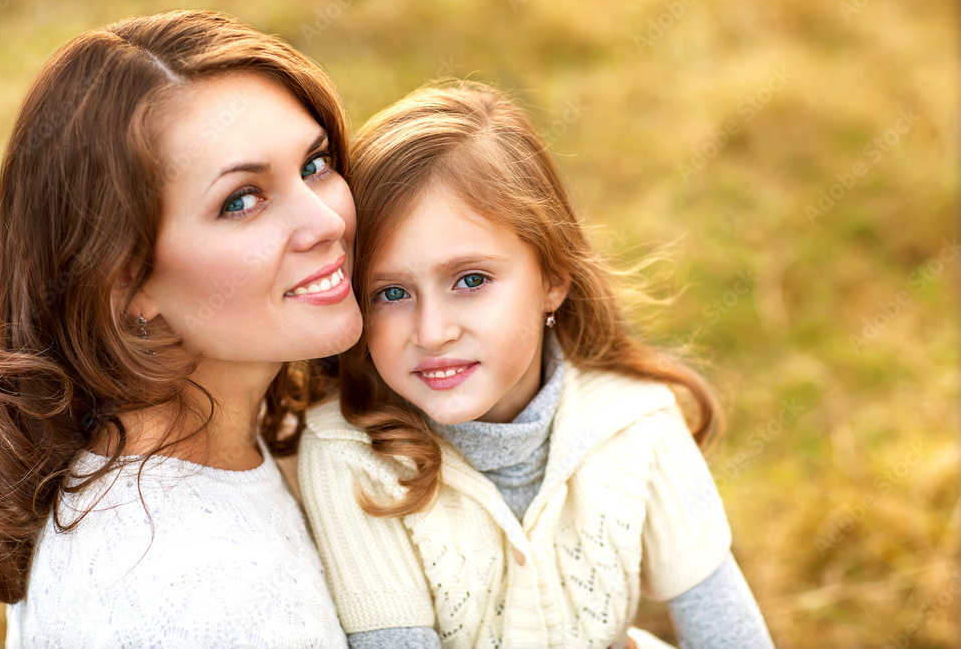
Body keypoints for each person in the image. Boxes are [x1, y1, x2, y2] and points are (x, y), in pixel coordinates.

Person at [297, 81, 775, 648]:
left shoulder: (636, 419)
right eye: (391, 293)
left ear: (552, 279)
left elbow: (730, 633)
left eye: (470, 280)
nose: (432, 332)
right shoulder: (349, 459)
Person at [0, 10, 361, 647]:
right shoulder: (184, 593)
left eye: (315, 164)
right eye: (242, 199)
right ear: (125, 283)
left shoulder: (178, 438)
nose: (326, 222)